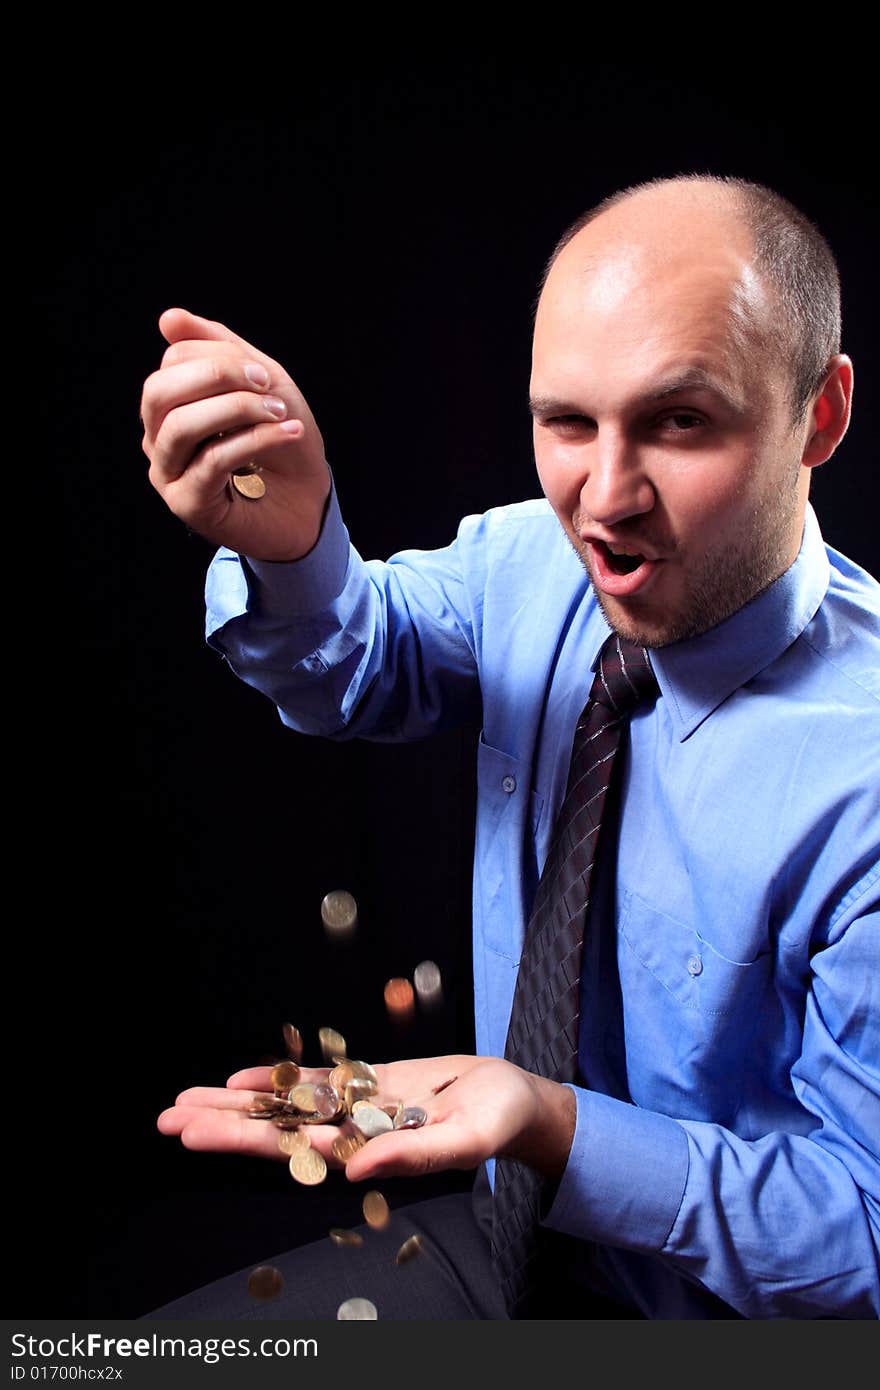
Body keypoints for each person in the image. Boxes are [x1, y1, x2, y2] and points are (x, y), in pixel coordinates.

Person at [142, 173, 879, 1320]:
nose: (604, 496)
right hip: (502, 1253)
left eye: (680, 422)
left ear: (818, 416)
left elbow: (868, 1235)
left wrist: (556, 1126)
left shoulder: (865, 774)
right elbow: (356, 665)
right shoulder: (528, 563)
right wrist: (291, 545)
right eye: (566, 423)